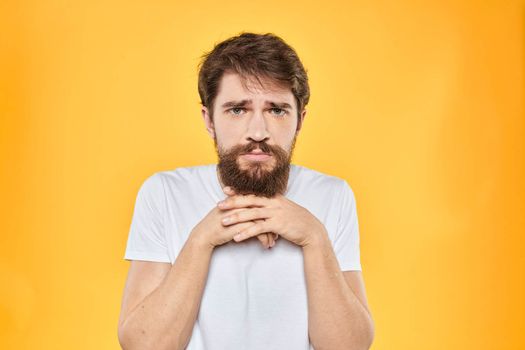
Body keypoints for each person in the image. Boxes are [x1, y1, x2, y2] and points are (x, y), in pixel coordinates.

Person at [117, 32, 374, 350]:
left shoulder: (333, 195)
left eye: (277, 110)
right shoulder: (164, 193)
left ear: (299, 121)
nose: (258, 132)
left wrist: (314, 237)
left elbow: (350, 346)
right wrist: (203, 238)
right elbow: (144, 345)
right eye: (237, 109)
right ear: (208, 119)